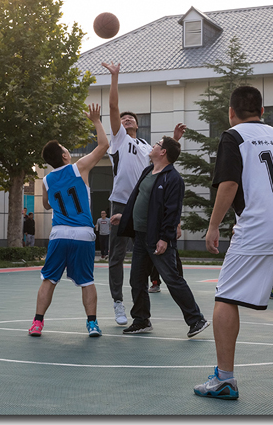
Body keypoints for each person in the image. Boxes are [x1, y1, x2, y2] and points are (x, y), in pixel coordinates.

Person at [193, 86, 273, 400]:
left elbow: (229, 184)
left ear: (231, 112)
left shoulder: (233, 136)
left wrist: (213, 225)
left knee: (225, 296)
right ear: (262, 111)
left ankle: (224, 379)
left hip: (260, 226)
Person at [101, 61, 186, 326]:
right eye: (123, 118)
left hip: (145, 205)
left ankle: (146, 305)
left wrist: (174, 140)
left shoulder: (148, 146)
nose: (126, 119)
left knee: (147, 254)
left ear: (138, 125)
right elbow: (113, 107)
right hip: (120, 203)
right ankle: (118, 301)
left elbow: (163, 163)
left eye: (131, 118)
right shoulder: (119, 139)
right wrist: (115, 77)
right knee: (117, 255)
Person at [111, 136, 209, 338]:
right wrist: (125, 216)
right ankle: (141, 320)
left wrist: (165, 238)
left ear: (163, 152)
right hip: (140, 237)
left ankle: (196, 319)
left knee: (172, 279)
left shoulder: (173, 179)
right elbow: (137, 199)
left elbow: (172, 211)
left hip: (157, 238)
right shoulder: (148, 171)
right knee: (137, 280)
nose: (153, 145)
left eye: (157, 144)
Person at [28, 104, 108, 338]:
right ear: (64, 155)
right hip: (83, 233)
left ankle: (37, 323)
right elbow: (103, 145)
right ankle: (92, 324)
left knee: (49, 280)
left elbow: (46, 205)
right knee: (87, 281)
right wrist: (96, 121)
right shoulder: (78, 167)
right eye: (65, 148)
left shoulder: (47, 180)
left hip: (59, 233)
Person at [148, 225, 183, 293]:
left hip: (167, 232)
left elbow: (174, 218)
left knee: (175, 257)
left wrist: (178, 227)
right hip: (153, 232)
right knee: (154, 257)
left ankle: (179, 283)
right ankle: (155, 282)